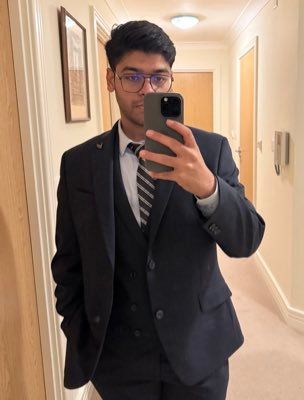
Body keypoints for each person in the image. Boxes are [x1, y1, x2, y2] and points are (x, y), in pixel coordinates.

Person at [51, 20, 265, 400]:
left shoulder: (210, 150)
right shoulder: (79, 164)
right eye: (132, 76)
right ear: (110, 79)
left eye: (158, 78)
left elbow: (246, 240)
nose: (146, 90)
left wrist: (208, 187)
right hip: (118, 358)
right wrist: (79, 328)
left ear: (170, 81)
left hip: (198, 346)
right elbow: (68, 262)